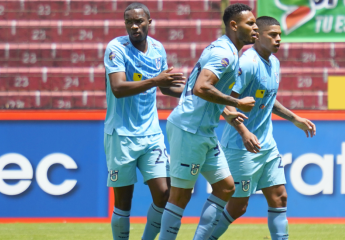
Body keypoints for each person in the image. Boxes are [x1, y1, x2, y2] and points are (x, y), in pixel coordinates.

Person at [210, 16, 316, 240]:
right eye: (273, 35)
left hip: (266, 145)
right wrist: (244, 131)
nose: (278, 40)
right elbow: (225, 103)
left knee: (280, 197)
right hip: (241, 147)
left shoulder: (274, 62)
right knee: (238, 206)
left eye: (280, 35)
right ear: (258, 36)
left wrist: (293, 118)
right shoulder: (247, 63)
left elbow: (267, 99)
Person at [158, 3, 258, 240]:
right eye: (250, 23)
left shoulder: (229, 51)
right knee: (180, 196)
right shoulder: (224, 53)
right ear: (234, 25)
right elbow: (201, 87)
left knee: (225, 187)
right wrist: (236, 103)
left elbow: (202, 90)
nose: (255, 27)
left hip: (204, 130)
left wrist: (225, 110)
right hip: (189, 128)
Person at [103, 3, 186, 240]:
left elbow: (165, 87)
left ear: (149, 22)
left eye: (139, 21)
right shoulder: (116, 48)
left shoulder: (158, 49)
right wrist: (156, 79)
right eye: (129, 21)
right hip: (121, 135)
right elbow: (118, 88)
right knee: (123, 202)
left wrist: (195, 92)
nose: (134, 26)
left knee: (164, 193)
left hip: (151, 134)